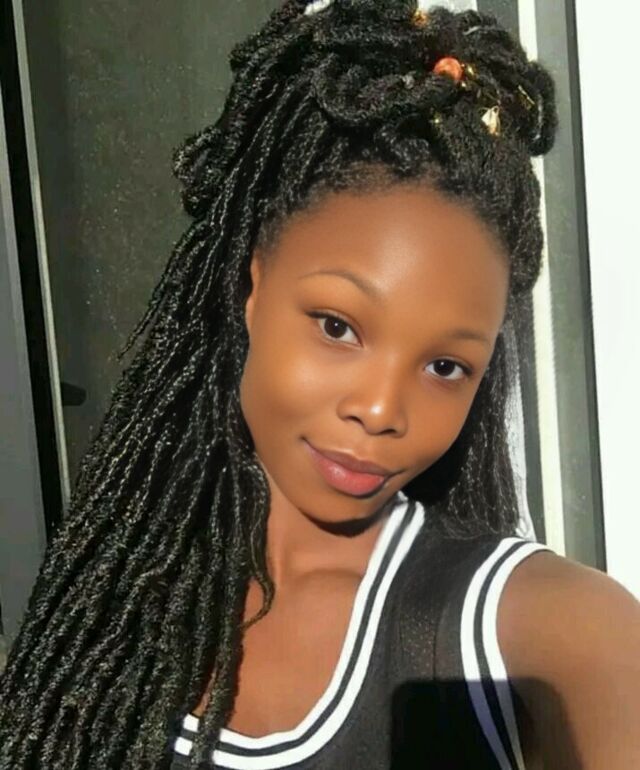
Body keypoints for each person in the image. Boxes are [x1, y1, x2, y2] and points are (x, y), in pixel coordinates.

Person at [1, 1, 639, 768]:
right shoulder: (117, 607)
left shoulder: (549, 638)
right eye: (338, 326)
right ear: (252, 287)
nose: (380, 409)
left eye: (445, 366)